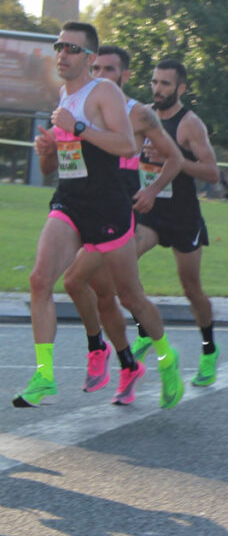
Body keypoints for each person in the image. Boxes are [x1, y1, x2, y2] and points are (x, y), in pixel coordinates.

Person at [17, 22, 183, 410]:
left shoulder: (103, 93)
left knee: (130, 297)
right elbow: (51, 169)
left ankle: (166, 357)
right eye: (59, 46)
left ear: (89, 59)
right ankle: (45, 375)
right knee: (41, 279)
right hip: (70, 202)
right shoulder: (63, 97)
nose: (62, 54)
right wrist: (46, 148)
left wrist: (76, 127)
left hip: (109, 207)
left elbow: (125, 144)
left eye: (72, 49)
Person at [61, 44, 184, 405]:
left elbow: (175, 158)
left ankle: (165, 358)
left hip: (118, 210)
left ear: (125, 76)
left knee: (83, 282)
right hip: (85, 206)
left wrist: (153, 190)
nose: (100, 77)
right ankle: (129, 365)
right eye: (95, 68)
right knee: (105, 297)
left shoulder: (138, 114)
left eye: (109, 70)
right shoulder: (78, 108)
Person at [130, 59, 221, 387]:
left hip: (183, 218)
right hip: (150, 212)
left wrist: (178, 162)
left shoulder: (189, 124)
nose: (157, 89)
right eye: (154, 82)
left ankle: (209, 349)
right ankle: (145, 330)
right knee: (123, 262)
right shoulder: (140, 115)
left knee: (191, 289)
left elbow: (212, 173)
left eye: (165, 84)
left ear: (181, 88)